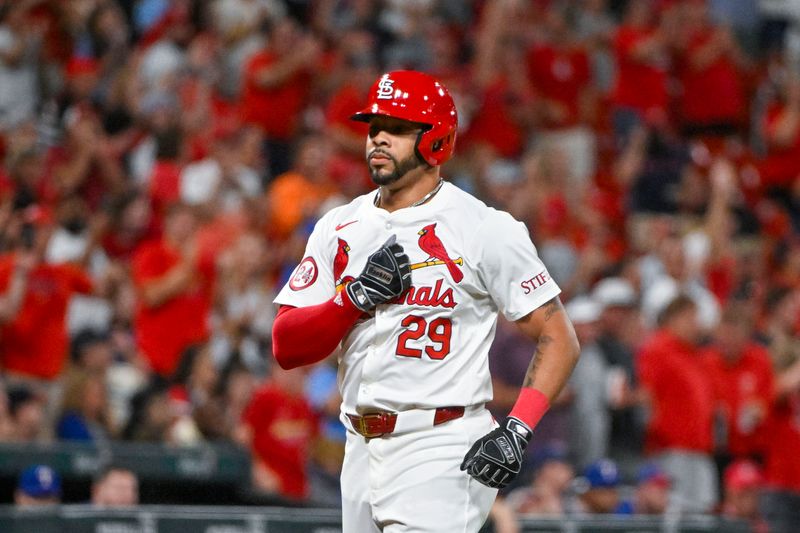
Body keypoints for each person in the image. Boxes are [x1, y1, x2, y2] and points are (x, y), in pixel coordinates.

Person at [271, 70, 580, 532]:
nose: (378, 137)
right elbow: (286, 346)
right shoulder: (337, 225)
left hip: (441, 444)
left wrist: (518, 428)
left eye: (397, 127)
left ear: (436, 139)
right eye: (374, 125)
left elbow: (559, 336)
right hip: (358, 446)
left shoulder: (481, 227)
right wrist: (352, 300)